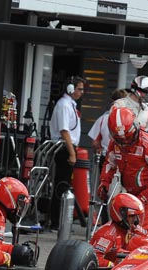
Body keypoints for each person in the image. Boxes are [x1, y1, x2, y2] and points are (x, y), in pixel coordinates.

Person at [98, 107, 148, 231]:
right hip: (129, 195)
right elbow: (110, 163)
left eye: (128, 137)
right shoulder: (114, 143)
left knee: (141, 234)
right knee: (121, 232)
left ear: (135, 127)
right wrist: (104, 182)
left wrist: (144, 196)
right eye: (120, 139)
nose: (124, 142)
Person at [49, 75, 85, 229]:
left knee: (65, 184)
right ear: (70, 88)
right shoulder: (64, 105)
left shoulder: (70, 105)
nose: (82, 92)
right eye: (79, 89)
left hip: (68, 146)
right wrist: (72, 152)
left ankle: (60, 220)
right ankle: (56, 221)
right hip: (64, 147)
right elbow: (64, 130)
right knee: (61, 185)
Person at [90, 193, 148, 267]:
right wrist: (114, 266)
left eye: (136, 216)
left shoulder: (131, 227)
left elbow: (147, 238)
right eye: (132, 216)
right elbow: (94, 258)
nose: (136, 220)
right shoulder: (107, 235)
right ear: (121, 214)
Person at [88, 89, 127, 155]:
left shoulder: (102, 119)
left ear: (112, 102)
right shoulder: (130, 119)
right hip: (123, 156)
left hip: (106, 155)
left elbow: (95, 143)